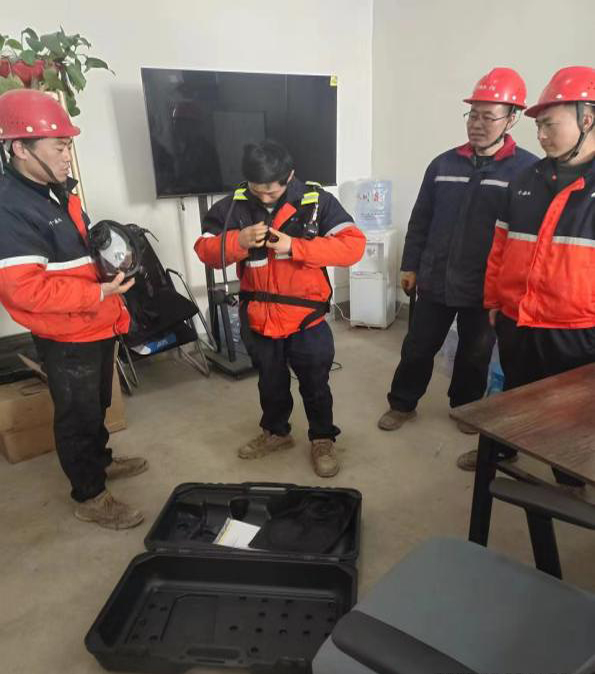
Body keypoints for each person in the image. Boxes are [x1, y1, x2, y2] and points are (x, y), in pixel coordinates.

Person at [0, 89, 147, 529]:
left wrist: (108, 266)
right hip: (66, 335)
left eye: (68, 146)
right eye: (59, 147)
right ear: (20, 148)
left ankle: (99, 462)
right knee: (77, 415)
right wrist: (98, 293)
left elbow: (73, 255)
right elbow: (25, 291)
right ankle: (90, 495)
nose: (68, 156)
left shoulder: (55, 191)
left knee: (97, 402)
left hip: (95, 322)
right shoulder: (10, 209)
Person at [377, 68, 537, 434]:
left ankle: (465, 408)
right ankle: (402, 404)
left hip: (485, 287)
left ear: (511, 118)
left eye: (488, 117)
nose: (477, 124)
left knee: (475, 353)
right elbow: (421, 218)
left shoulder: (526, 171)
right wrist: (410, 265)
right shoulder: (443, 164)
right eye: (472, 115)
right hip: (435, 278)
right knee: (417, 347)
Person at [457, 66, 595, 485]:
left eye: (550, 124)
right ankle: (503, 447)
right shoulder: (525, 180)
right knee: (514, 392)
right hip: (517, 316)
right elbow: (500, 247)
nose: (542, 136)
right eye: (538, 126)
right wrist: (494, 301)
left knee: (571, 412)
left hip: (575, 327)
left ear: (587, 119)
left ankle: (569, 480)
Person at [195, 140, 365, 477]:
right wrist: (238, 241)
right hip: (259, 317)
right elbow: (205, 250)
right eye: (256, 189)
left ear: (289, 176)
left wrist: (296, 246)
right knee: (270, 383)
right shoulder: (234, 206)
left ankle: (322, 438)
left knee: (315, 384)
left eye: (272, 191)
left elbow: (353, 247)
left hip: (306, 319)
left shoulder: (317, 202)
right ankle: (276, 433)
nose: (264, 197)